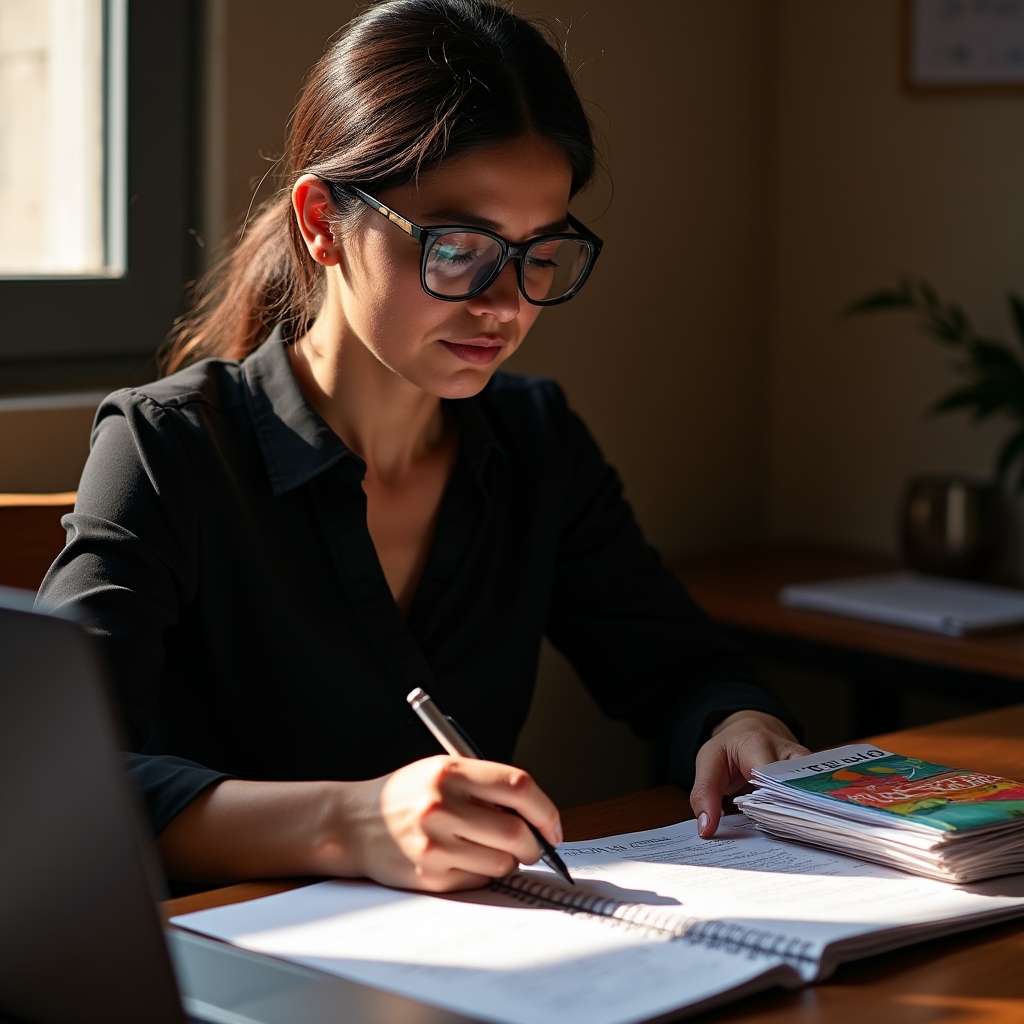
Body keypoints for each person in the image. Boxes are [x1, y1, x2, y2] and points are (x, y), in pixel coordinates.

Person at [38, 0, 807, 893]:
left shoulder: (534, 441)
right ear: (321, 222)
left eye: (540, 252)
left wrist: (736, 722)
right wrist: (351, 823)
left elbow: (679, 669)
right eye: (459, 247)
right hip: (219, 950)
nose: (506, 305)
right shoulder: (168, 447)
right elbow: (48, 776)